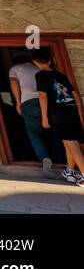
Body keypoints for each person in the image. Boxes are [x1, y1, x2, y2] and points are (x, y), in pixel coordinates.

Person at [31, 49, 84, 185]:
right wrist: (80, 114)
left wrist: (44, 117)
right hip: (72, 112)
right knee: (67, 143)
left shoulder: (40, 75)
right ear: (49, 61)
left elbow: (43, 96)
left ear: (35, 62)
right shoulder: (61, 75)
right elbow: (75, 95)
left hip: (59, 114)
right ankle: (70, 171)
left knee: (72, 144)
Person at [9, 52, 55, 176]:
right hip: (46, 100)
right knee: (53, 129)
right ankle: (63, 158)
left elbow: (13, 82)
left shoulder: (14, 68)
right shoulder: (37, 67)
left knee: (33, 132)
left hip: (29, 102)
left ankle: (45, 158)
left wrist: (18, 102)